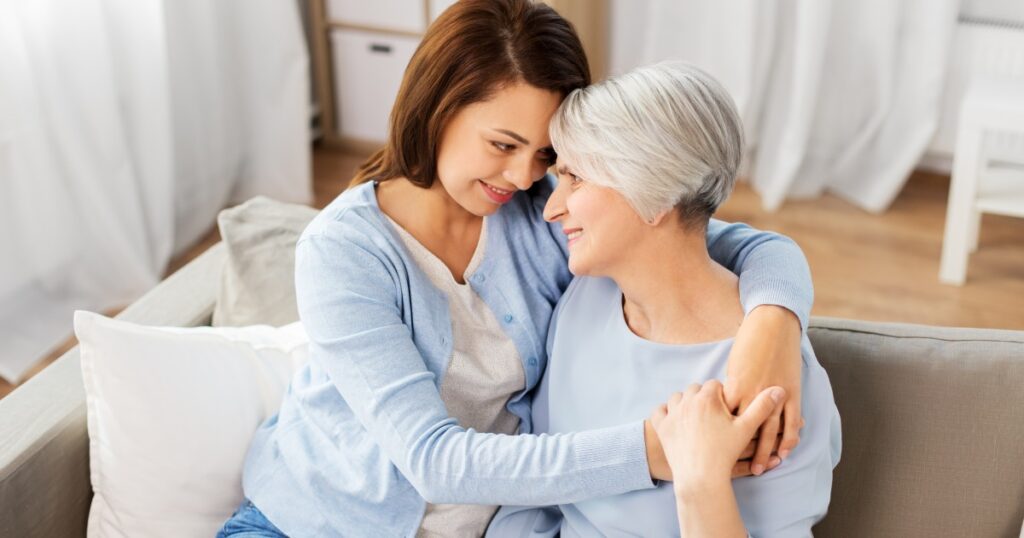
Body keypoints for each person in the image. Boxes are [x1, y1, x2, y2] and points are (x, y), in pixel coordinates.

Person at [218, 2, 816, 536]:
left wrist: (773, 324)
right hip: (307, 522)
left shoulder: (547, 216)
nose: (525, 176)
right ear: (438, 109)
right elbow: (433, 461)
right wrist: (657, 452)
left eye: (545, 154)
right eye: (503, 145)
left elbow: (729, 238)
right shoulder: (344, 251)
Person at [487, 62, 841, 537]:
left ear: (653, 195)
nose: (551, 207)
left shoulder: (773, 384)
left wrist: (700, 485)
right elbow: (543, 488)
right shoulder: (586, 298)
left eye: (575, 178)